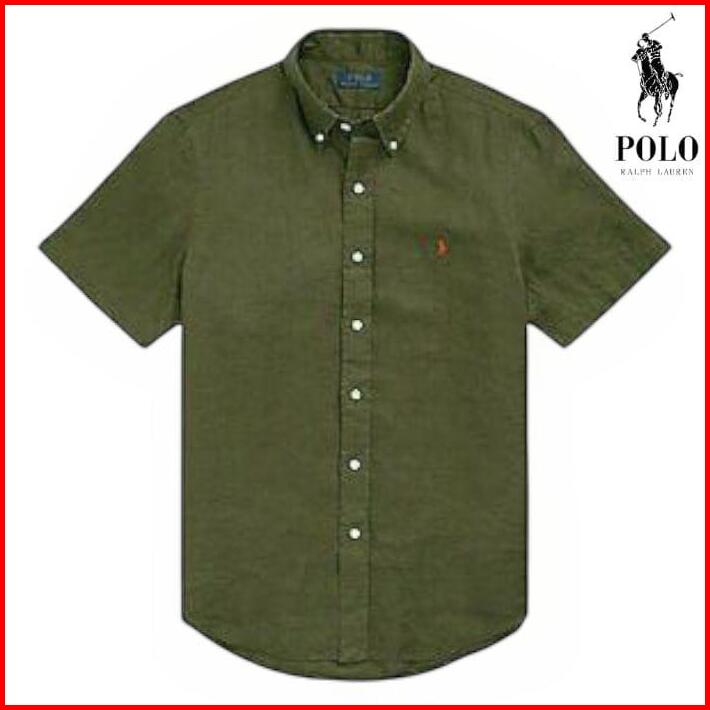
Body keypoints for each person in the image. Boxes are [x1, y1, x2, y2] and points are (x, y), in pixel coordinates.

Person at [639, 32, 669, 97]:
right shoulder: (646, 47)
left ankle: (665, 89)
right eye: (644, 40)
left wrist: (652, 49)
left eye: (645, 39)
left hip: (657, 61)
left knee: (660, 75)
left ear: (647, 38)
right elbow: (643, 51)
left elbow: (660, 46)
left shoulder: (654, 42)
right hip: (652, 62)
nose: (645, 41)